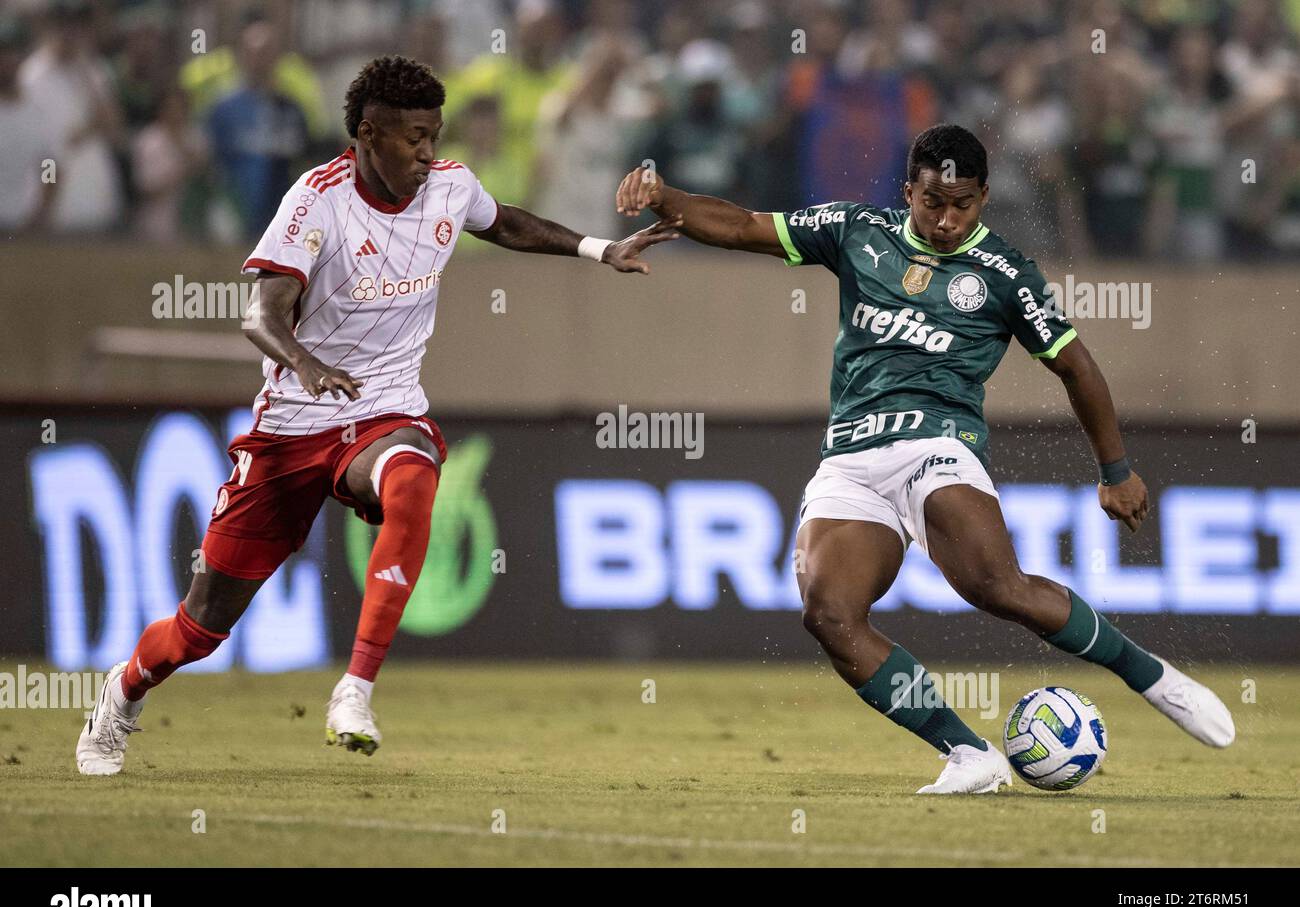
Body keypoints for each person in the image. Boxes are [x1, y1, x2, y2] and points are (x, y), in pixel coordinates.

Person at [77, 55, 678, 775]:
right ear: (368, 133)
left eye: (435, 135)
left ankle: (355, 689)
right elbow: (259, 315)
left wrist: (597, 247)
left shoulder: (450, 186)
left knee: (414, 476)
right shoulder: (316, 199)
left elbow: (506, 222)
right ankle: (122, 690)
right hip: (293, 426)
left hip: (385, 409)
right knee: (200, 627)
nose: (429, 153)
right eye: (414, 138)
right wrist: (306, 364)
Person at [614, 123, 1235, 794]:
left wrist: (1116, 471)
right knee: (828, 614)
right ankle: (970, 753)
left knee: (997, 587)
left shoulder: (1004, 274)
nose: (945, 220)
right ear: (908, 190)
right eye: (932, 202)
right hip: (851, 457)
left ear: (984, 198)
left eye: (962, 205)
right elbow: (740, 225)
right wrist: (662, 193)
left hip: (937, 445)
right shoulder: (856, 231)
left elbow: (1077, 367)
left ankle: (1152, 676)